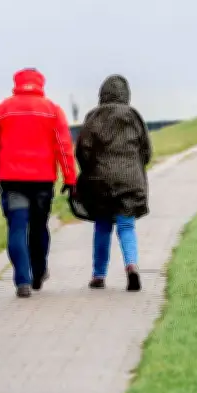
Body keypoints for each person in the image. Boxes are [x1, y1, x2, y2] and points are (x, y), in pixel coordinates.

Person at [0, 68, 77, 298]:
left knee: (17, 227)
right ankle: (39, 270)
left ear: (17, 83)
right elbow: (63, 147)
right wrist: (70, 178)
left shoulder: (1, 110)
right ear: (40, 84)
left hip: (12, 180)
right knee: (38, 226)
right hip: (42, 181)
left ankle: (22, 281)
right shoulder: (52, 110)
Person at [75, 74, 151, 292]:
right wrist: (136, 166)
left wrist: (88, 170)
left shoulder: (93, 116)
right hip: (129, 178)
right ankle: (132, 265)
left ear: (103, 94)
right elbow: (146, 149)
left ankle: (98, 275)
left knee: (102, 227)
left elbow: (83, 150)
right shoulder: (133, 116)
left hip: (100, 181)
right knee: (127, 225)